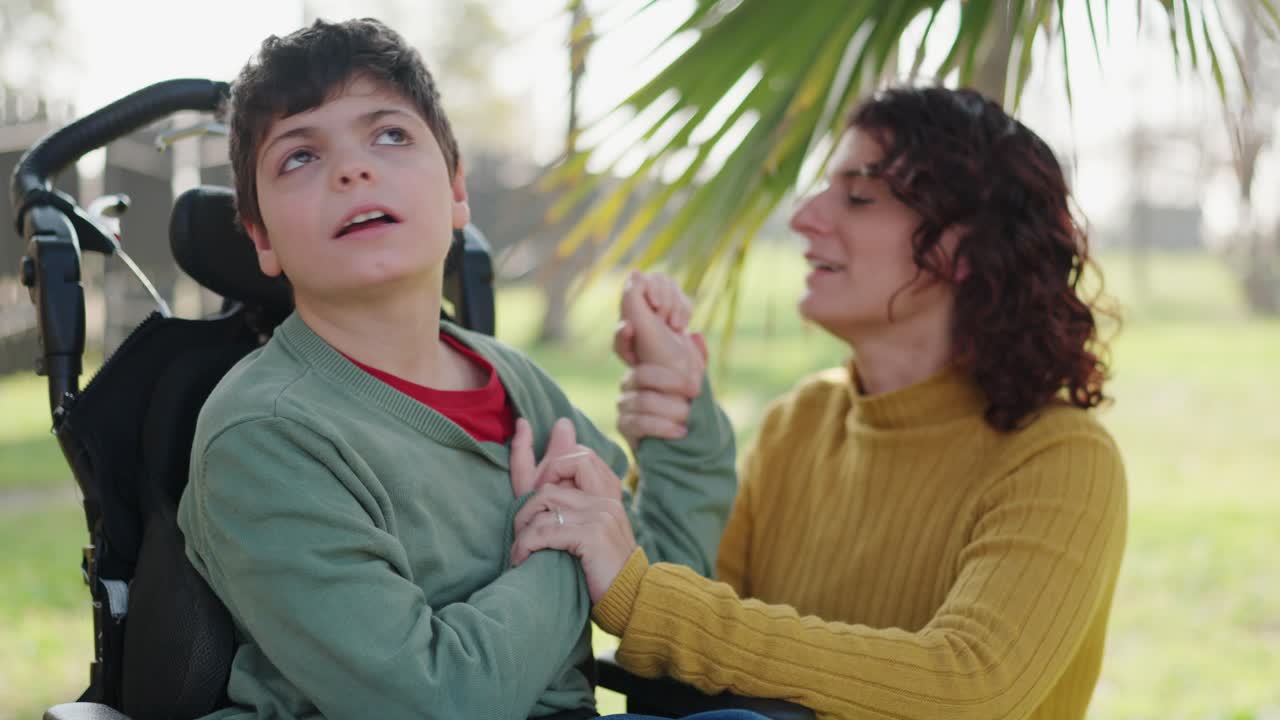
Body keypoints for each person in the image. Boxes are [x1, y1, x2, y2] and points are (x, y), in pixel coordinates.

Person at [176, 17, 752, 720]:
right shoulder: (265, 433)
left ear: (456, 192)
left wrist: (680, 418)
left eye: (389, 135)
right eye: (299, 157)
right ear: (262, 237)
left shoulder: (518, 385)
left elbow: (662, 584)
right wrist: (563, 545)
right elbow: (434, 701)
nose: (353, 168)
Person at [510, 86, 1128, 720]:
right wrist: (680, 436)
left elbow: (970, 683)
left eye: (858, 197)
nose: (805, 217)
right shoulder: (801, 421)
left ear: (967, 248)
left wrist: (640, 594)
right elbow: (692, 634)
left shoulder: (1061, 459)